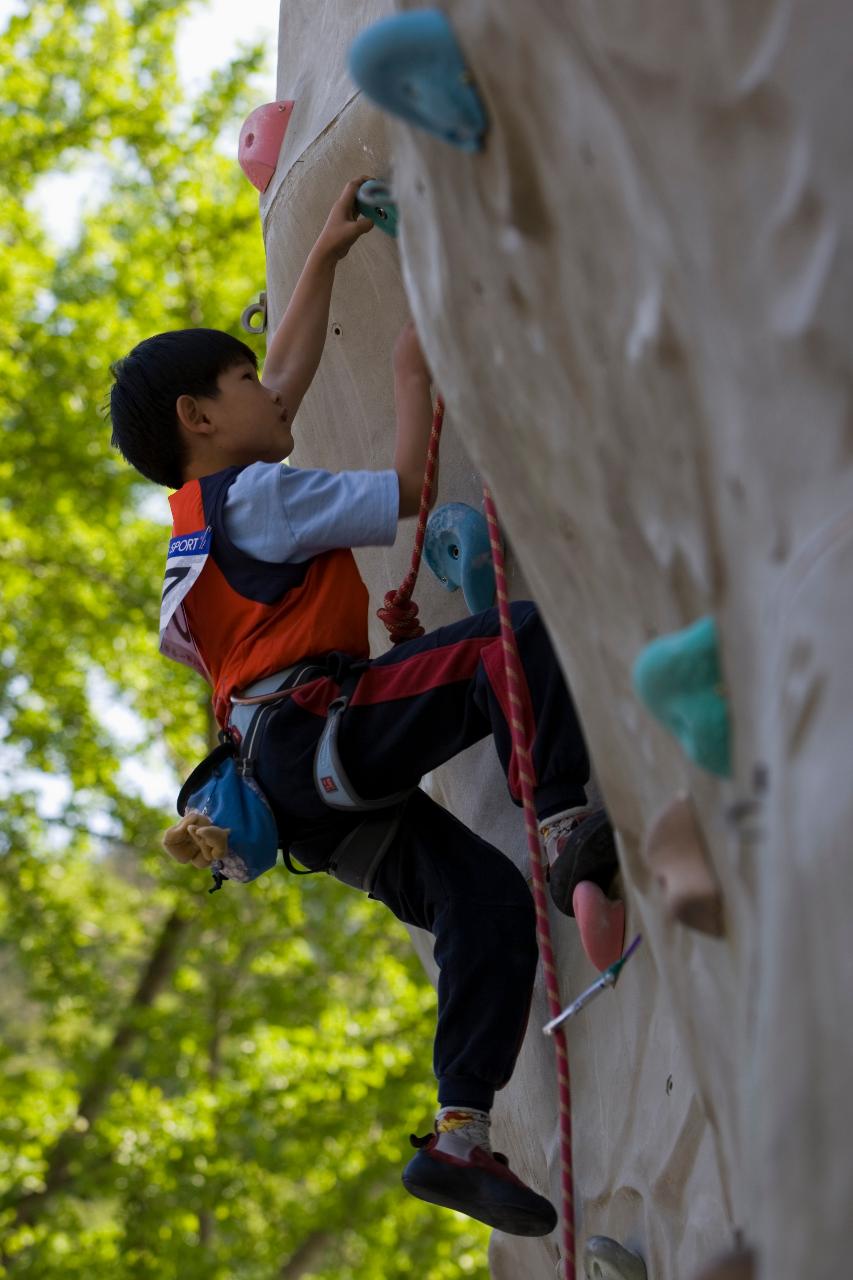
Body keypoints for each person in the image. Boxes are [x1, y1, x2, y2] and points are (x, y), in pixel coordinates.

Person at [109, 177, 624, 1238]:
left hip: (293, 792)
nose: (278, 394)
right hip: (314, 736)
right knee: (510, 643)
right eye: (245, 381)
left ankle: (458, 1132)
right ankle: (571, 824)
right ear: (200, 417)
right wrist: (409, 370)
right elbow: (401, 487)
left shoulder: (194, 534)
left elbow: (283, 388)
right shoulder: (261, 494)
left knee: (479, 903)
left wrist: (325, 256)